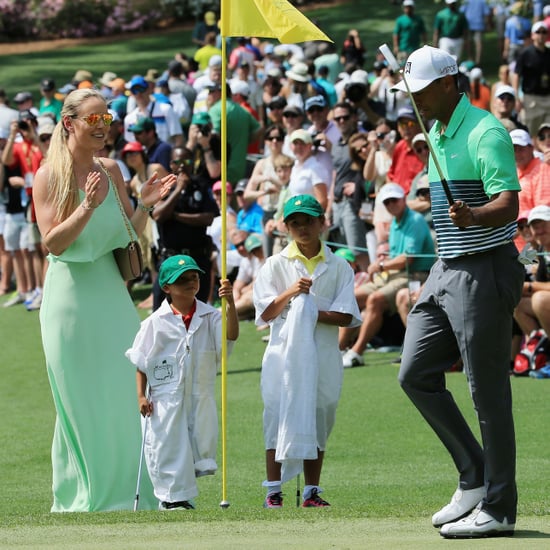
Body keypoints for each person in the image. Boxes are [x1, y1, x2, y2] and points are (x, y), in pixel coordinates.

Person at [392, 46, 524, 538]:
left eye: (420, 91)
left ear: (449, 84)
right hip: (446, 267)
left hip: (485, 268)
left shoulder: (486, 131)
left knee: (487, 393)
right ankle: (473, 475)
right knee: (415, 372)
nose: (413, 101)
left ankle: (500, 507)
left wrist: (476, 215)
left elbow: (508, 203)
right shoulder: (436, 130)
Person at [32, 88, 175, 512]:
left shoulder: (112, 170)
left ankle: (132, 494)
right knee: (79, 397)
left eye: (107, 119)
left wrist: (145, 206)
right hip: (69, 299)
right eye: (93, 120)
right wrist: (85, 208)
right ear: (70, 123)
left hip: (112, 295)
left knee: (121, 391)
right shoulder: (48, 176)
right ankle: (84, 495)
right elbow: (52, 244)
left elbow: (126, 237)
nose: (102, 127)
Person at [253, 194, 361, 508]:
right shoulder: (275, 265)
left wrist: (310, 309)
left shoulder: (338, 265)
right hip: (282, 354)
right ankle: (273, 490)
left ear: (322, 223)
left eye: (309, 221)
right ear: (286, 227)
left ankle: (312, 491)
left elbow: (346, 315)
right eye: (295, 222)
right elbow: (265, 312)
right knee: (276, 414)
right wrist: (291, 294)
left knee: (321, 413)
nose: (303, 228)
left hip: (324, 353)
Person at [126, 254, 238, 510]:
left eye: (194, 277)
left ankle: (180, 497)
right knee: (167, 445)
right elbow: (141, 363)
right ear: (167, 287)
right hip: (165, 397)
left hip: (199, 392)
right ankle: (171, 498)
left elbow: (230, 336)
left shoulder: (211, 316)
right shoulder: (154, 323)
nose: (191, 283)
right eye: (182, 280)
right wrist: (141, 397)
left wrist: (229, 301)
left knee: (198, 441)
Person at [341, 183, 434, 367]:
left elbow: (409, 259)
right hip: (396, 275)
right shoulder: (396, 223)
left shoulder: (414, 220)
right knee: (350, 296)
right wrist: (381, 263)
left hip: (416, 276)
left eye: (394, 200)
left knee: (375, 299)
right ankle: (338, 348)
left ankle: (356, 352)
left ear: (404, 199)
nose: (391, 204)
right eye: (387, 201)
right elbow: (397, 257)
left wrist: (381, 265)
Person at [514, 205, 550, 337]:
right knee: (516, 303)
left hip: (542, 299)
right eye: (521, 227)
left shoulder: (536, 250)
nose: (539, 230)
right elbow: (518, 269)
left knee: (540, 299)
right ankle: (537, 347)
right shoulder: (534, 251)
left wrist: (528, 287)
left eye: (543, 224)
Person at [512, 21, 550, 137]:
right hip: (531, 99)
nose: (541, 35)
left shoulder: (549, 53)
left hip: (548, 98)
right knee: (531, 132)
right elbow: (516, 75)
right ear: (533, 35)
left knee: (548, 134)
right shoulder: (525, 54)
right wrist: (517, 98)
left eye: (544, 32)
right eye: (538, 32)